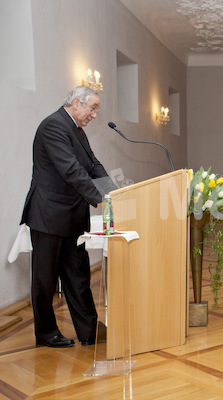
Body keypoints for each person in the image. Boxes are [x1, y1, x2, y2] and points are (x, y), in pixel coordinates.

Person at [20, 86, 116, 348]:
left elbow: (92, 164)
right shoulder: (53, 126)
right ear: (76, 102)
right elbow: (71, 171)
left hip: (72, 216)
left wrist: (115, 193)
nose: (95, 114)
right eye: (93, 108)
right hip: (49, 216)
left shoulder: (76, 130)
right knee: (45, 279)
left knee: (78, 275)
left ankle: (88, 332)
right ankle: (46, 333)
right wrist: (99, 199)